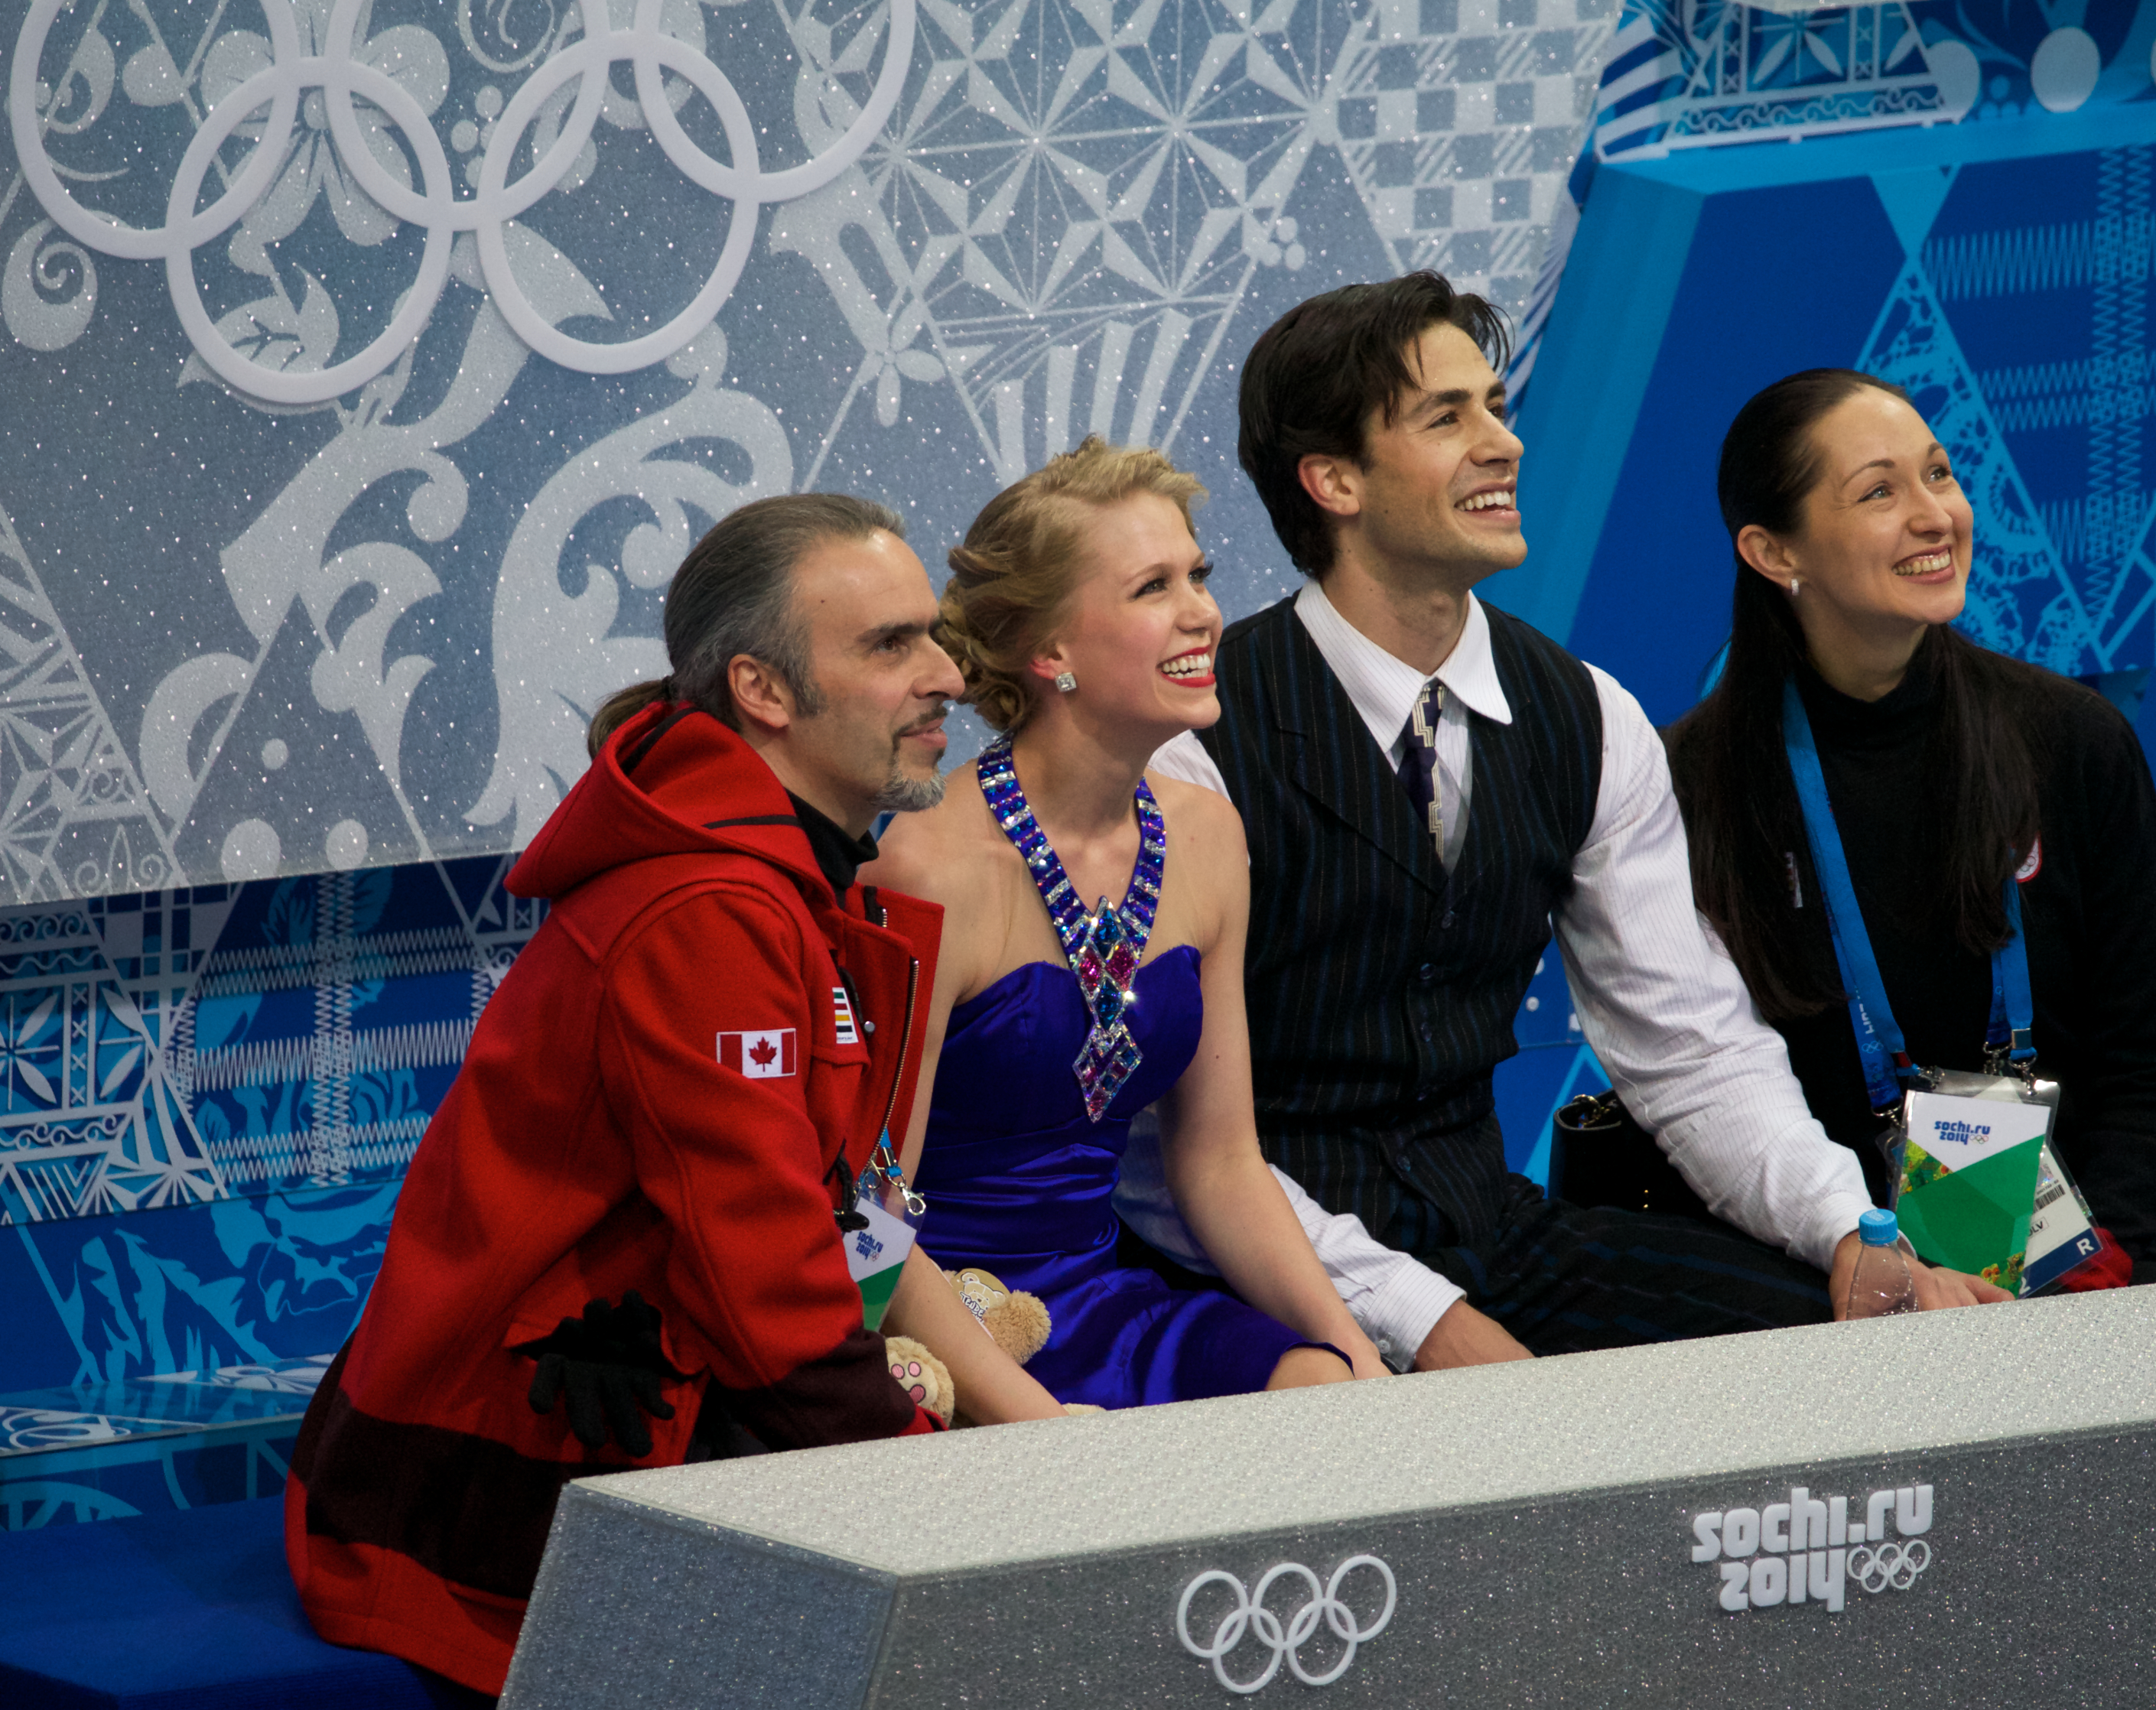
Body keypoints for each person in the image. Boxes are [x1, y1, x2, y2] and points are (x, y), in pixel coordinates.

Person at [1127, 272, 2006, 1374]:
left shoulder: (1586, 715)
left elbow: (1689, 1050)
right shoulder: (1191, 742)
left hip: (1490, 1233)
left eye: (1495, 406)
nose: (1502, 443)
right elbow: (1158, 1153)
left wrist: (1847, 1229)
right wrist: (1423, 1318)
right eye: (1446, 417)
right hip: (1251, 1266)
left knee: (1850, 1354)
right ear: (1332, 479)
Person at [285, 494, 958, 1699]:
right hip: (501, 1479)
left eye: (937, 636)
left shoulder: (792, 877)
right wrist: (920, 1473)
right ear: (762, 688)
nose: (947, 674)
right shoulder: (707, 910)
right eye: (890, 644)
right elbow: (758, 1266)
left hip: (664, 1409)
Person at [863, 438, 1388, 1419]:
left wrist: (1359, 1358)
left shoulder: (1206, 831)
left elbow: (1220, 1161)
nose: (1203, 611)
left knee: (1323, 1392)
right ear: (1049, 652)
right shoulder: (926, 870)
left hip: (1105, 1302)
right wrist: (1038, 1425)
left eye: (1200, 575)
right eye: (1154, 587)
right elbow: (867, 1213)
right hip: (940, 1323)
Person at [1667, 369, 2156, 1286]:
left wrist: (2069, 1277)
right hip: (1818, 1270)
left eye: (1940, 475)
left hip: (2089, 1245)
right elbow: (1702, 1090)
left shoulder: (2071, 740)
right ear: (1771, 551)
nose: (1936, 516)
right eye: (1879, 492)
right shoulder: (1690, 786)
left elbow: (2151, 1066)